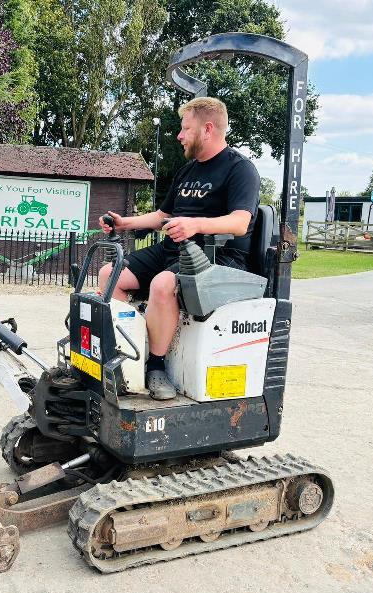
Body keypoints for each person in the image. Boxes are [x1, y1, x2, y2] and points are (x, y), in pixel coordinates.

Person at [98, 96, 260, 400]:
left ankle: (155, 367)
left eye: (185, 129)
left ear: (207, 129)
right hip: (176, 250)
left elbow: (240, 222)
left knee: (162, 284)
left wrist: (196, 225)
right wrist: (123, 223)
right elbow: (163, 216)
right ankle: (125, 356)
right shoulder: (188, 172)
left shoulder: (240, 169)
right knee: (110, 274)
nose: (179, 135)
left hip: (216, 258)